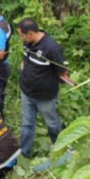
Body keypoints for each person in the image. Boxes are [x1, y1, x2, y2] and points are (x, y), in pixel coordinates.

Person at [16, 18, 70, 158]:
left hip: (45, 96)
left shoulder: (51, 48)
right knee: (27, 123)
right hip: (26, 91)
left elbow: (62, 71)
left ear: (31, 33)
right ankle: (24, 153)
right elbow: (25, 58)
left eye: (22, 35)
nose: (21, 38)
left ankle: (61, 149)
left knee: (52, 123)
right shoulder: (28, 42)